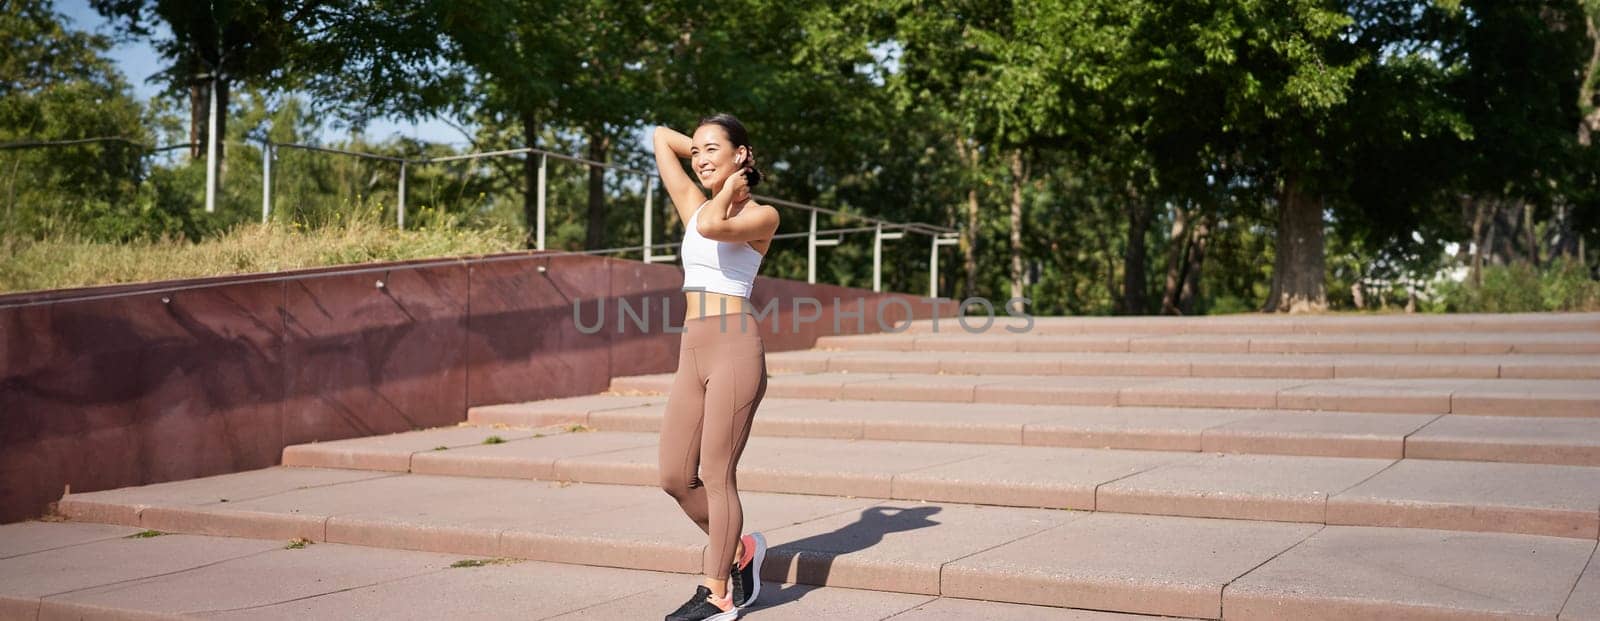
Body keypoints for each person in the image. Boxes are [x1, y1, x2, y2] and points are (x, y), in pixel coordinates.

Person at [653, 114, 780, 621]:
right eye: (698, 152)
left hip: (735, 346)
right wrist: (709, 155)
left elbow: (712, 226)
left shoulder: (761, 216)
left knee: (716, 473)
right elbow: (662, 137)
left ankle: (718, 593)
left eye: (712, 150)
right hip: (694, 348)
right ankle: (741, 549)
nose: (700, 159)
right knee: (674, 476)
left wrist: (731, 181)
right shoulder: (696, 202)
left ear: (741, 155)